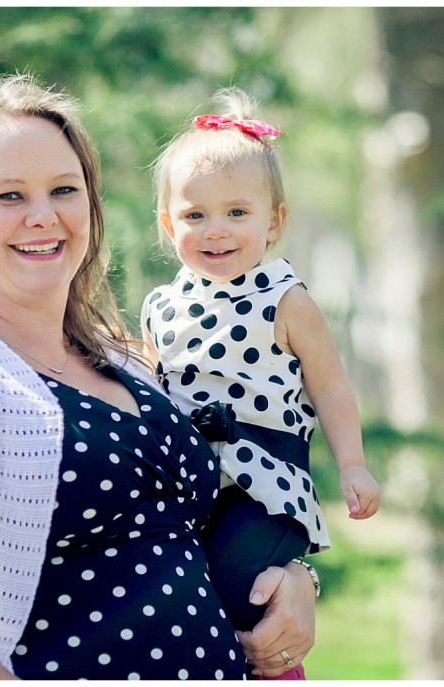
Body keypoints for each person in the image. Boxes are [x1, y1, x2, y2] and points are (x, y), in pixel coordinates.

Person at [0, 73, 317, 680]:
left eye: (65, 189)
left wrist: (296, 579)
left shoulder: (130, 362)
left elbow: (204, 527)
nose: (44, 216)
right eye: (9, 196)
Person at [141, 87, 380, 679]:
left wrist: (351, 464)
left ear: (274, 222)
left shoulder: (284, 300)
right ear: (169, 224)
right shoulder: (160, 307)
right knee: (181, 588)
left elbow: (330, 389)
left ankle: (277, 667)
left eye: (237, 213)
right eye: (195, 215)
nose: (215, 230)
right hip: (190, 482)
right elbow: (149, 391)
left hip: (264, 484)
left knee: (237, 585)